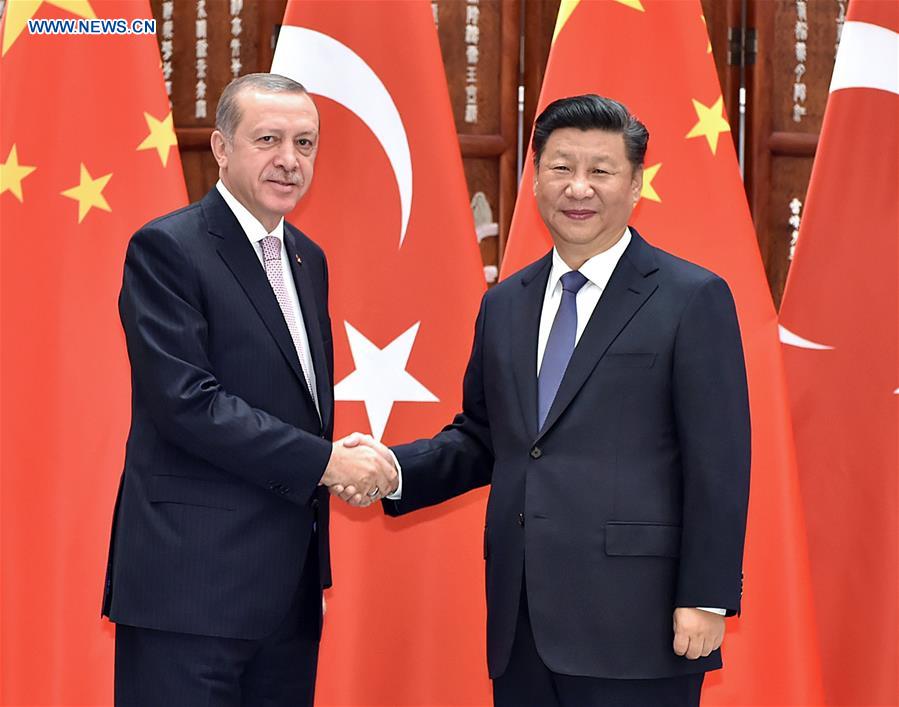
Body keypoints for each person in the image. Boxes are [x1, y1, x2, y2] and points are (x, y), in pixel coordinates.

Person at [336, 94, 750, 706]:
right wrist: (393, 471)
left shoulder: (691, 297)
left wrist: (706, 597)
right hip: (521, 621)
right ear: (535, 177)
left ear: (635, 184)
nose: (578, 188)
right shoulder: (505, 302)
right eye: (561, 168)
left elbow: (718, 460)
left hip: (640, 622)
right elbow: (485, 437)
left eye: (600, 171)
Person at [102, 73, 397, 707]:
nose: (290, 160)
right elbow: (188, 402)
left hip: (287, 595)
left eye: (306, 143)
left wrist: (332, 458)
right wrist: (327, 463)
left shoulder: (307, 258)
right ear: (222, 147)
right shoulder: (167, 248)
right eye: (268, 139)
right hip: (191, 590)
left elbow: (294, 402)